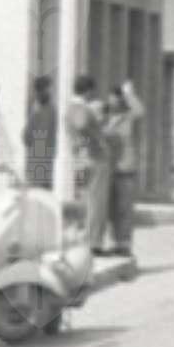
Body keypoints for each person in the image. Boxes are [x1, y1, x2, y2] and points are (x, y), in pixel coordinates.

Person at [66, 74, 111, 249]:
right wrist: (97, 140)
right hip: (93, 157)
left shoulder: (70, 107)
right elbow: (82, 125)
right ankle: (93, 243)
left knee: (84, 198)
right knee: (97, 200)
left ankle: (83, 239)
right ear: (87, 90)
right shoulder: (81, 108)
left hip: (80, 157)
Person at [101, 79, 144, 257]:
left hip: (126, 168)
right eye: (110, 98)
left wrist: (129, 93)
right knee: (111, 209)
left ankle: (124, 244)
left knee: (124, 208)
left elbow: (139, 110)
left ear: (121, 100)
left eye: (115, 98)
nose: (112, 101)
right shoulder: (104, 118)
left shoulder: (128, 117)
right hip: (108, 169)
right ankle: (114, 242)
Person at [23, 76, 58, 190]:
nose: (51, 91)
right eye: (48, 88)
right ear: (41, 90)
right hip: (37, 155)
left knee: (45, 188)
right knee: (36, 189)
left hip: (46, 155)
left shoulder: (51, 108)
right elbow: (27, 136)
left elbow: (53, 132)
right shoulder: (36, 109)